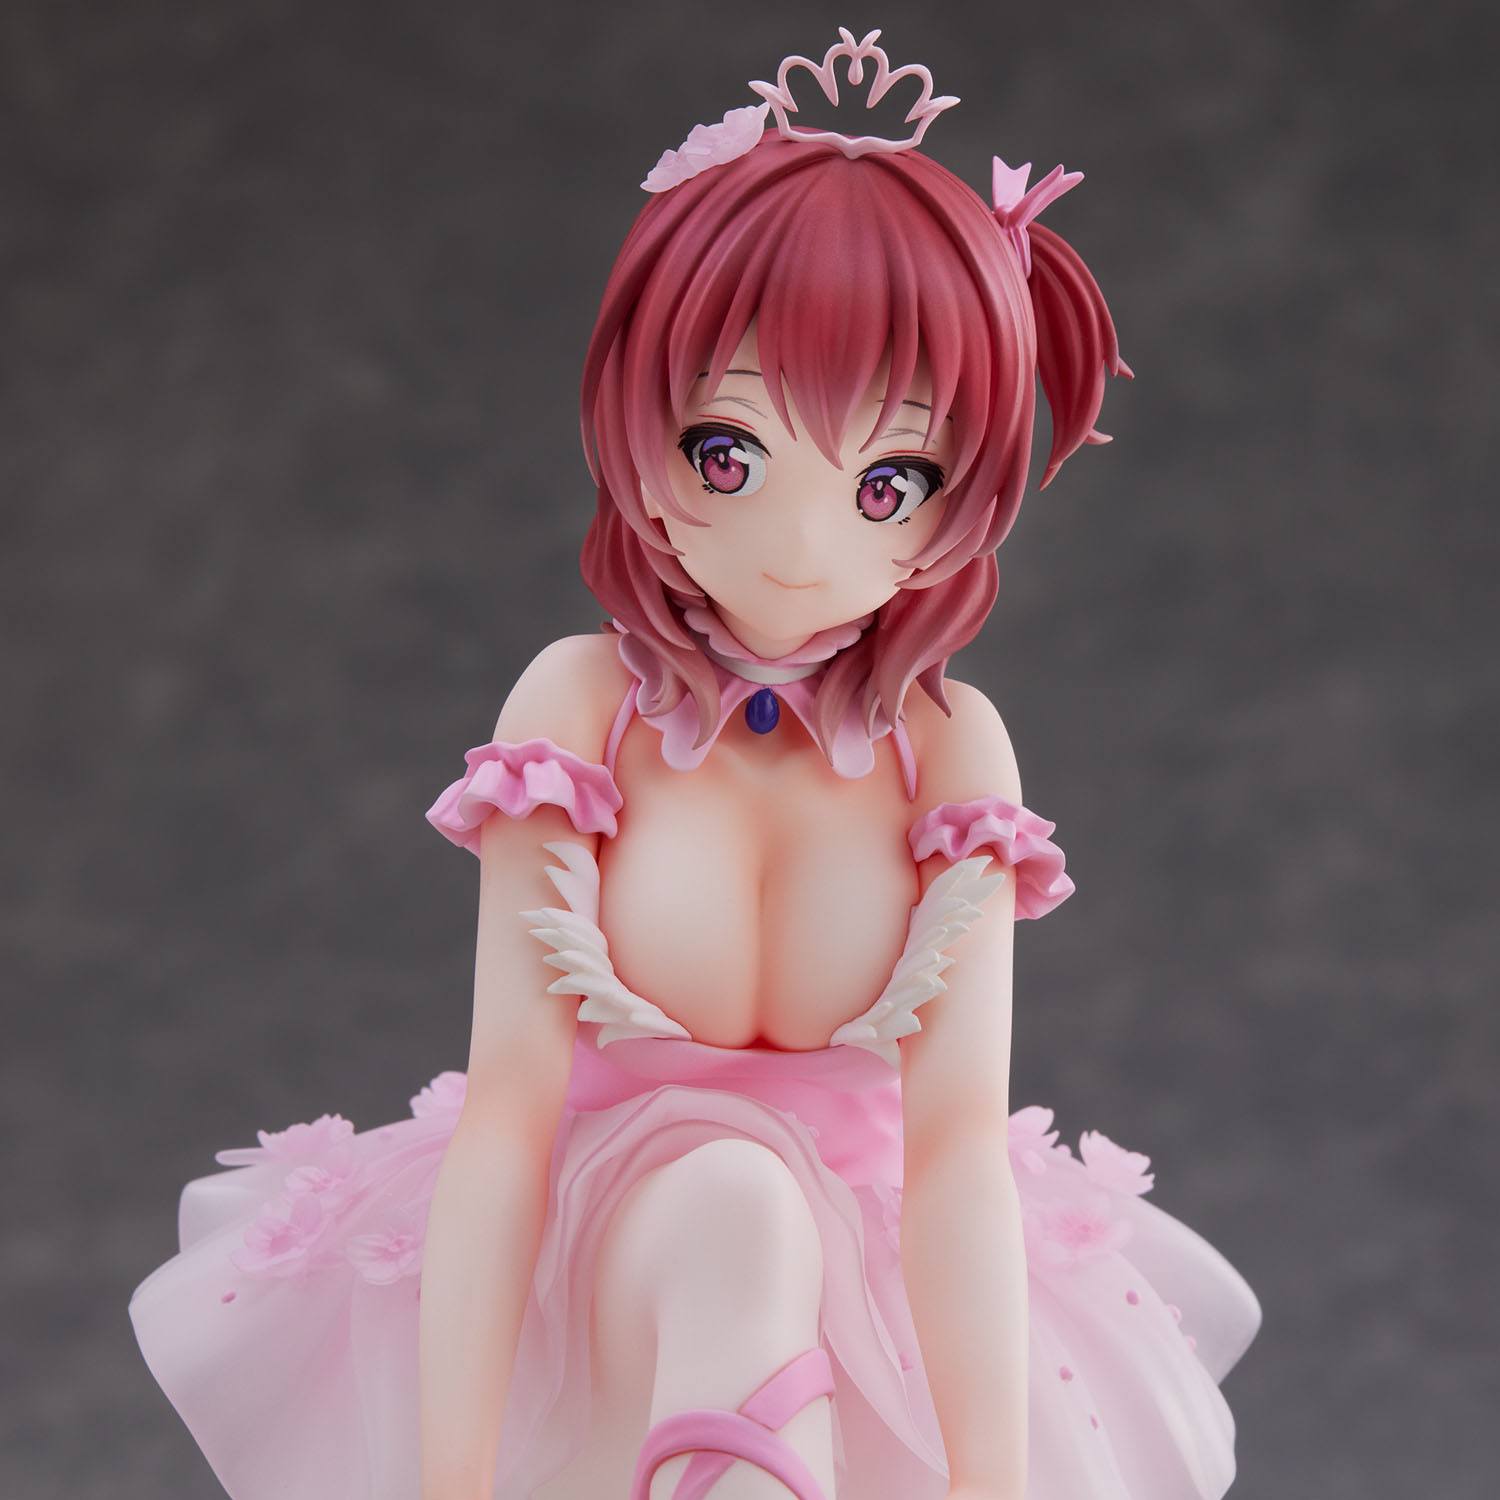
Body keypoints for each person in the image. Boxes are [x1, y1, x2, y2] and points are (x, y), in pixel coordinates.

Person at [129, 28, 1260, 1500]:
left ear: (962, 496)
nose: (799, 544)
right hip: (605, 1265)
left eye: (890, 479)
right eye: (729, 450)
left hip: (870, 1286)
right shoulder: (582, 707)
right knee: (735, 1200)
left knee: (768, 1223)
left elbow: (956, 1150)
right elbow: (509, 1117)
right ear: (638, 425)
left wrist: (990, 1484)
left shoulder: (946, 750)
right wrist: (449, 1477)